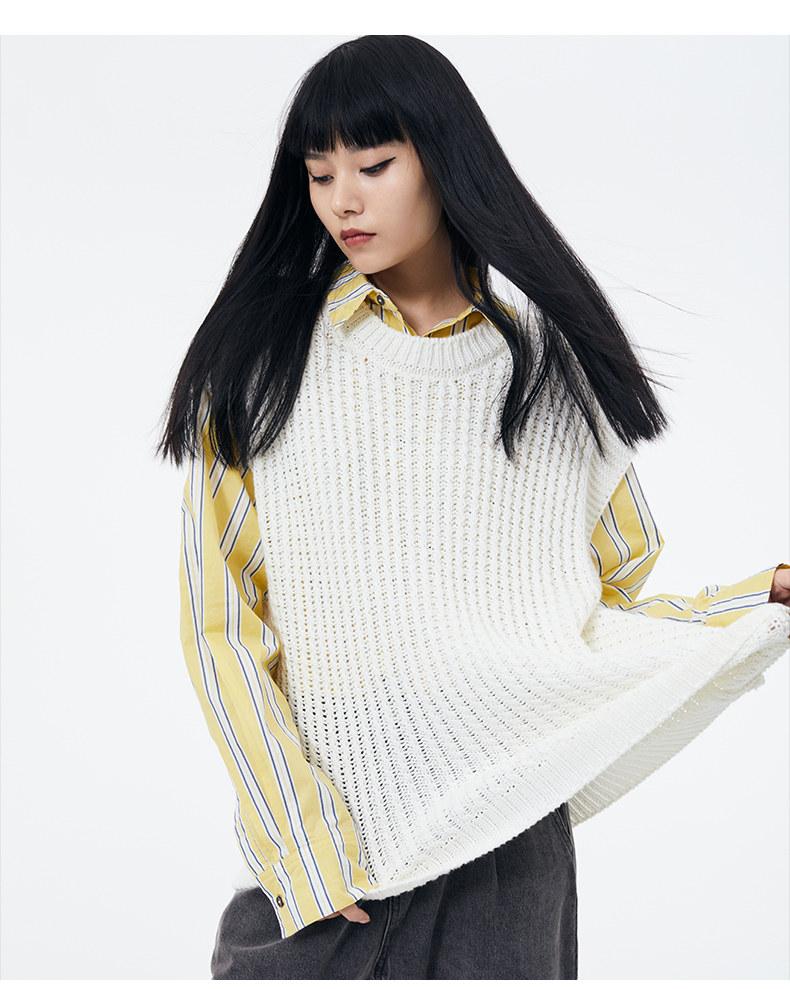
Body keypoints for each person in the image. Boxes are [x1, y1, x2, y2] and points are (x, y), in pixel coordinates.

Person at [158, 35, 790, 980]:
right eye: (320, 173)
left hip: (511, 865)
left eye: (374, 165)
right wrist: (301, 844)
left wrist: (752, 603)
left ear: (446, 159)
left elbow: (592, 626)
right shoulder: (261, 370)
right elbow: (222, 631)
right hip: (329, 874)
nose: (342, 199)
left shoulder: (555, 379)